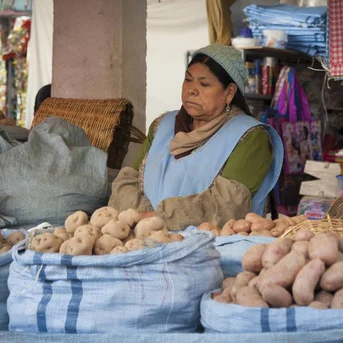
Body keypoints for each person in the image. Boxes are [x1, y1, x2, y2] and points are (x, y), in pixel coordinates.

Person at [108, 44, 283, 230]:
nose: (191, 90)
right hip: (143, 237)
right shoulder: (161, 126)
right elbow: (126, 182)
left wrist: (158, 218)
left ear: (229, 92)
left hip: (211, 251)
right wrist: (145, 220)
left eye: (204, 84)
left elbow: (226, 206)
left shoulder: (251, 137)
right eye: (188, 80)